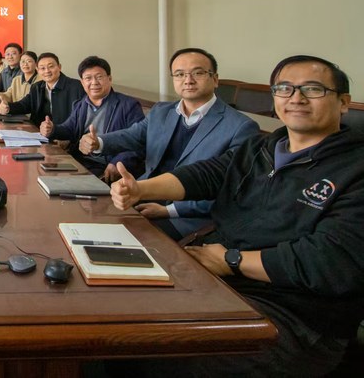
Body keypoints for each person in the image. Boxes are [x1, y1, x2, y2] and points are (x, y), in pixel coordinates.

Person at [108, 55, 364, 377]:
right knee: (117, 311)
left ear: (343, 102)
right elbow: (207, 174)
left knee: (149, 346)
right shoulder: (262, 147)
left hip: (295, 315)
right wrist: (141, 189)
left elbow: (329, 261)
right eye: (284, 88)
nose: (296, 98)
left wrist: (232, 260)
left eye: (312, 89)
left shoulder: (354, 168)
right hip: (220, 280)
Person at [95, 48, 259, 239]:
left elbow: (231, 190)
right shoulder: (161, 111)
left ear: (215, 79)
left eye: (197, 73)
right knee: (93, 220)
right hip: (143, 194)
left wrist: (169, 210)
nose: (188, 80)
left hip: (187, 216)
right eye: (180, 74)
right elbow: (132, 135)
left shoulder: (241, 127)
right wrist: (98, 142)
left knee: (124, 240)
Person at [40, 56, 145, 179]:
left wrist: (118, 162)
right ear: (82, 82)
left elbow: (139, 142)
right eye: (88, 78)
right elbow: (69, 129)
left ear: (109, 79)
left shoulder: (128, 105)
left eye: (99, 77)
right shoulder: (81, 104)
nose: (94, 82)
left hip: (105, 166)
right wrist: (52, 129)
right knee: (43, 174)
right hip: (79, 161)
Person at [0, 52, 84, 126]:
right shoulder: (37, 87)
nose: (47, 71)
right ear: (38, 70)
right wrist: (8, 107)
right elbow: (24, 105)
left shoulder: (76, 86)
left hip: (65, 135)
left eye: (51, 66)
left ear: (59, 67)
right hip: (39, 133)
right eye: (42, 68)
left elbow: (82, 117)